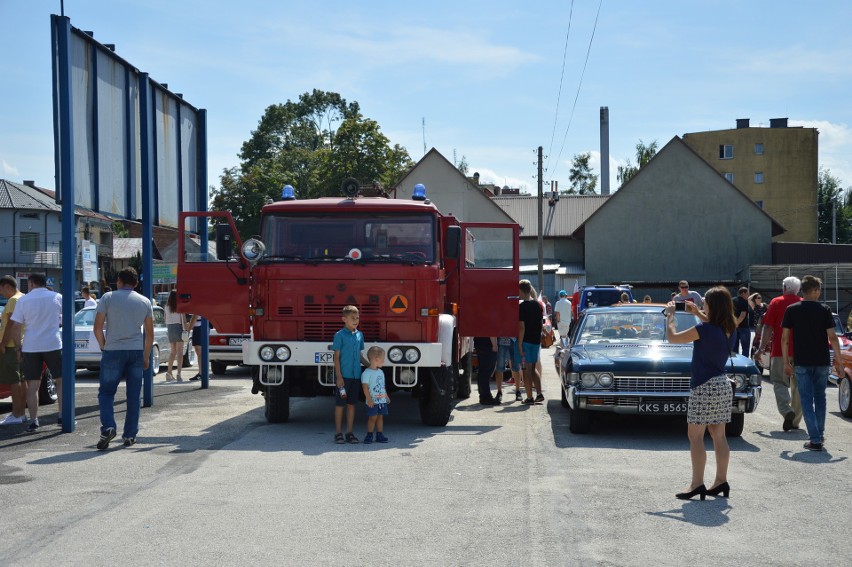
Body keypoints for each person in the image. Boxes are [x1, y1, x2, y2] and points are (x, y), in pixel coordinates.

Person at [666, 286, 736, 501]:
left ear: (712, 306)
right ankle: (721, 481)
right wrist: (697, 312)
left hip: (704, 385)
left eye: (705, 303)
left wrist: (670, 317)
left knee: (695, 436)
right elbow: (710, 322)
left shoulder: (704, 330)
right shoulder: (729, 327)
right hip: (722, 384)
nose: (703, 305)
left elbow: (673, 339)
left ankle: (697, 484)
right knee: (719, 435)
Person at [93, 267, 154, 449]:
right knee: (134, 396)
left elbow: (97, 328)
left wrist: (104, 346)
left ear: (119, 280)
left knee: (106, 393)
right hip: (135, 350)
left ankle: (109, 427)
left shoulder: (108, 298)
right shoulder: (145, 301)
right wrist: (146, 356)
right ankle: (129, 436)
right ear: (136, 283)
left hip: (113, 350)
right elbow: (149, 334)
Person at [781, 275, 842, 452]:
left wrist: (786, 362)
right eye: (819, 290)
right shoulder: (825, 309)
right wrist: (837, 360)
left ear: (802, 290)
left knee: (806, 400)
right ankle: (819, 435)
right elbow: (832, 337)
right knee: (820, 398)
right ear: (815, 291)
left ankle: (815, 439)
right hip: (822, 361)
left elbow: (785, 338)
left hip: (802, 362)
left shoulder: (792, 310)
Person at [8, 273, 63, 431]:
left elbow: (16, 328)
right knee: (60, 381)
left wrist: (18, 348)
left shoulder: (23, 300)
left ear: (31, 283)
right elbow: (64, 319)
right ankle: (61, 416)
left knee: (33, 385)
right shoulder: (57, 297)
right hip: (53, 343)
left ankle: (34, 420)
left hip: (31, 346)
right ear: (45, 283)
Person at [756, 276, 802, 431]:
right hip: (801, 352)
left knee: (779, 382)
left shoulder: (776, 302)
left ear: (784, 287)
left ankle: (786, 410)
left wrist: (761, 348)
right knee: (799, 386)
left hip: (780, 351)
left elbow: (768, 327)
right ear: (798, 289)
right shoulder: (803, 302)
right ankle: (795, 421)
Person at [333, 305, 368, 444]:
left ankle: (349, 433)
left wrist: (370, 366)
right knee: (340, 405)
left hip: (356, 376)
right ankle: (338, 433)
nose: (355, 320)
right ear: (344, 319)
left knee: (352, 404)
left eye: (357, 318)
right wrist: (339, 377)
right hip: (344, 377)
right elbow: (336, 358)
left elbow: (360, 355)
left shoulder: (360, 335)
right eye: (352, 318)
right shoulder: (339, 335)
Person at [0, 276, 28, 425]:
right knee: (22, 380)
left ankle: (16, 414)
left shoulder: (13, 300)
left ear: (6, 286)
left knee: (14, 381)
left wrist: (3, 343)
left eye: (1, 289)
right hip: (22, 344)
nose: (1, 293)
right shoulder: (23, 297)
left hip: (11, 345)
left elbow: (11, 324)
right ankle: (21, 413)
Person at [518, 280, 544, 405]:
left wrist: (519, 344)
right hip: (536, 341)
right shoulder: (539, 305)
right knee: (533, 369)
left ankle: (529, 397)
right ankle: (539, 394)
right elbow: (540, 324)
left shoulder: (522, 307)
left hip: (526, 342)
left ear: (522, 291)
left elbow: (521, 327)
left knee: (526, 370)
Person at [361, 346, 390, 444]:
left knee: (380, 417)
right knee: (372, 417)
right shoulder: (367, 373)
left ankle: (379, 435)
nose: (383, 361)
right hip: (372, 401)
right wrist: (369, 399)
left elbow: (382, 385)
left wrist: (386, 396)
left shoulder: (381, 372)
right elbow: (365, 387)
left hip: (381, 400)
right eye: (382, 360)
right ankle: (369, 435)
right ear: (376, 360)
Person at [163, 291, 186, 382]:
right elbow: (183, 320)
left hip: (170, 328)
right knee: (180, 353)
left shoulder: (166, 307)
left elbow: (165, 319)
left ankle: (169, 373)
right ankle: (179, 374)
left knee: (173, 352)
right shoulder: (180, 306)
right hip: (179, 328)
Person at [494, 336, 521, 403]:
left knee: (516, 368)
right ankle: (499, 392)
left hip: (514, 341)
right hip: (501, 341)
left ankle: (518, 391)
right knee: (499, 368)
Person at [473, 336, 499, 405]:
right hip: (488, 345)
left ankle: (483, 395)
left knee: (483, 371)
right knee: (486, 372)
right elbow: (491, 330)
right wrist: (495, 345)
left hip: (479, 343)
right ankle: (485, 397)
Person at [732, 287, 753, 356]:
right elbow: (742, 315)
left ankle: (735, 364)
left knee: (734, 348)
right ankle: (744, 364)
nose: (748, 295)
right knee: (745, 348)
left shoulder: (731, 300)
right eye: (747, 293)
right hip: (743, 327)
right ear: (743, 293)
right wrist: (737, 323)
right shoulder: (744, 301)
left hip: (733, 327)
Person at [186, 314, 206, 381]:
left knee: (199, 352)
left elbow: (195, 317)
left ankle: (202, 373)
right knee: (200, 352)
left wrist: (188, 329)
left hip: (198, 327)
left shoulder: (198, 304)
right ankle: (201, 372)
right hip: (200, 326)